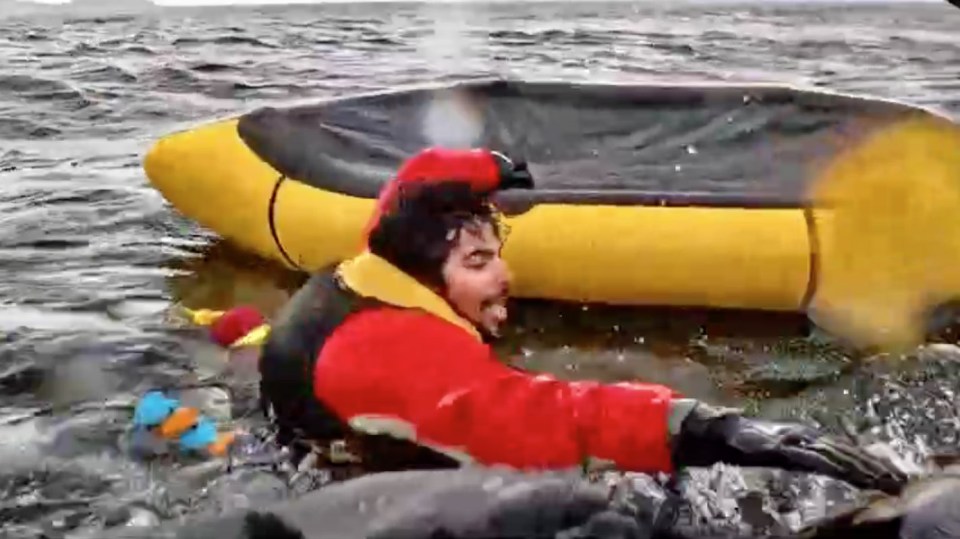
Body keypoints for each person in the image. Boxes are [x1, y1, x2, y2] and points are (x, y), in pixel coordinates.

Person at [256, 147, 908, 494]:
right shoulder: (395, 352)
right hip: (347, 492)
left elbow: (412, 183)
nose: (505, 277)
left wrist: (489, 170)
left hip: (320, 428)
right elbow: (548, 415)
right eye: (479, 261)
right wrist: (716, 426)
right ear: (429, 273)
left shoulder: (374, 265)